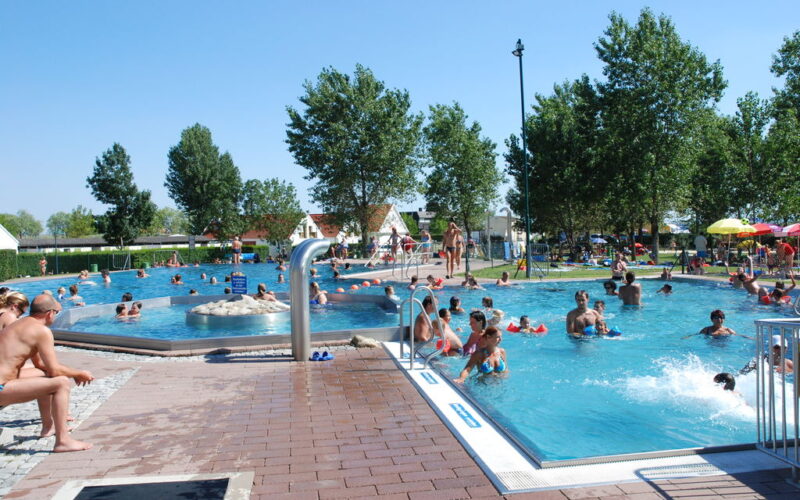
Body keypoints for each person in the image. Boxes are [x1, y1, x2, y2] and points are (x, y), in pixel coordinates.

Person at [0, 294, 93, 452]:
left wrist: (70, 372)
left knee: (45, 376)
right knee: (61, 383)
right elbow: (55, 369)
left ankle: (48, 427)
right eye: (56, 313)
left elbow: (41, 365)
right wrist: (78, 373)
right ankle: (63, 441)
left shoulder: (20, 324)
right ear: (50, 313)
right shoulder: (41, 331)